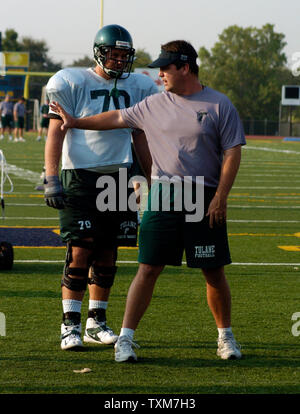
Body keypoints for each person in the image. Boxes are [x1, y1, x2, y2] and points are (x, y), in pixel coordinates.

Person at [50, 39, 246, 362]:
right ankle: (125, 339)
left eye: (165, 68)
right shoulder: (154, 104)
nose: (160, 75)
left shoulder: (219, 105)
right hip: (164, 195)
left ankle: (225, 337)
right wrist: (75, 122)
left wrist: (221, 197)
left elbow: (232, 153)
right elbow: (115, 118)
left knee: (213, 271)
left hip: (204, 195)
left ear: (184, 67)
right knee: (148, 268)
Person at [44, 24, 158, 351]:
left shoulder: (139, 85)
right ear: (100, 52)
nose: (120, 61)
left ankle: (97, 321)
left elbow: (140, 135)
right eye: (115, 54)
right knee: (80, 250)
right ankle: (70, 325)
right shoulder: (72, 80)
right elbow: (57, 132)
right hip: (79, 175)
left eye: (125, 55)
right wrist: (51, 177)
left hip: (119, 176)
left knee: (108, 252)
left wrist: (152, 179)